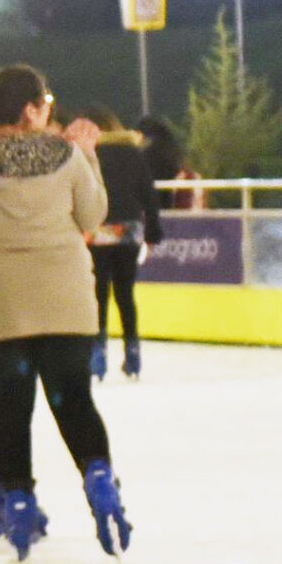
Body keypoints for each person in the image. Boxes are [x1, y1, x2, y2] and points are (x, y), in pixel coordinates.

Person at [0, 64, 128, 556]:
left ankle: (17, 505)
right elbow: (93, 215)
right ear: (32, 109)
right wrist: (91, 156)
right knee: (73, 400)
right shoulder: (67, 153)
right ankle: (98, 476)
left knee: (9, 411)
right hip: (66, 302)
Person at [82, 105, 161, 380]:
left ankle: (98, 351)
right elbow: (149, 196)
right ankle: (133, 352)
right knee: (125, 294)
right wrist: (152, 235)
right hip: (129, 230)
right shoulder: (132, 152)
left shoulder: (88, 152)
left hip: (98, 229)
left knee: (99, 294)